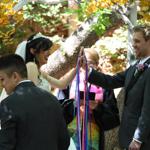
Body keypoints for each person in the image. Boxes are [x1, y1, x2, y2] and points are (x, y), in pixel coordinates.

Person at [82, 25, 150, 150]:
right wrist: (88, 70)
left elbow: (148, 110)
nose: (133, 45)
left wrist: (138, 139)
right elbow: (111, 81)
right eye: (132, 40)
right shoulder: (135, 66)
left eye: (137, 41)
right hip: (127, 135)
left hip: (142, 141)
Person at [0, 54, 70, 150]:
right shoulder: (52, 99)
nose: (2, 84)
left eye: (2, 79)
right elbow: (64, 140)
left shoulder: (8, 104)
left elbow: (6, 144)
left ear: (15, 76)